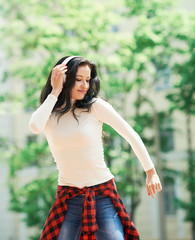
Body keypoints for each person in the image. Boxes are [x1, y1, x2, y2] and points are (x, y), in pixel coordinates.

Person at [29, 56, 162, 240]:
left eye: (87, 79)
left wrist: (150, 171)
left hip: (102, 195)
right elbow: (34, 126)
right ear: (64, 78)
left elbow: (130, 134)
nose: (84, 85)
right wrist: (55, 91)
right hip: (69, 197)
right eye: (78, 79)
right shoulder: (49, 113)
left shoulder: (95, 107)